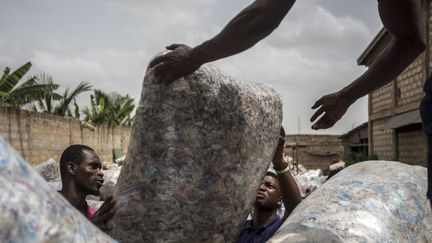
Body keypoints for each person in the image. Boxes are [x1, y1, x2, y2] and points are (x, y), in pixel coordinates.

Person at [236, 127, 302, 243]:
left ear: (280, 199)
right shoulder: (239, 229)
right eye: (258, 185)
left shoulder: (281, 228)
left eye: (269, 186)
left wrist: (278, 161)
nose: (261, 188)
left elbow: (295, 207)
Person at [59, 144, 116, 232]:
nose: (101, 173)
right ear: (72, 168)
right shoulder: (46, 207)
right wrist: (88, 229)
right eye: (93, 166)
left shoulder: (94, 215)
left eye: (100, 168)